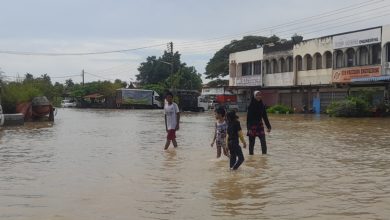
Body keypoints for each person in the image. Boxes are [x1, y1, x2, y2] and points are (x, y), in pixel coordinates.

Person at [246, 90, 271, 155]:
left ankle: (264, 157)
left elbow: (265, 117)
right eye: (257, 95)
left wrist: (268, 127)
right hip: (252, 126)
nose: (259, 96)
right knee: (252, 144)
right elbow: (248, 118)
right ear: (254, 96)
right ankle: (251, 157)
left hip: (260, 125)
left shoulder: (262, 106)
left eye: (260, 95)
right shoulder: (250, 106)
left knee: (263, 142)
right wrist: (248, 128)